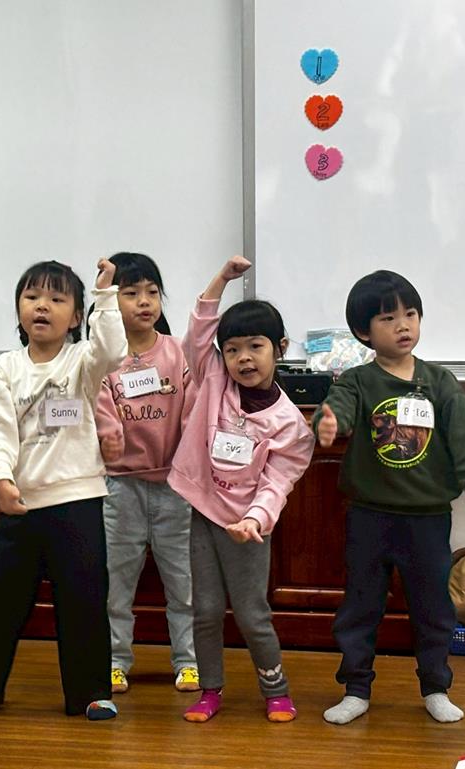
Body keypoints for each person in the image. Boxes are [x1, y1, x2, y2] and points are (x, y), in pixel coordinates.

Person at [0, 258, 127, 721]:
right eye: (32, 297)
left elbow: (112, 351)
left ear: (76, 316)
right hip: (22, 505)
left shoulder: (81, 361)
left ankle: (91, 694)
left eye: (57, 299)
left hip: (78, 502)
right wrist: (0, 479)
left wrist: (105, 294)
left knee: (82, 602)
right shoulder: (7, 367)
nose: (43, 306)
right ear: (19, 308)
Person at [314, 270, 465, 725]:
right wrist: (329, 422)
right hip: (369, 516)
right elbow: (337, 407)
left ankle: (436, 686)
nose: (403, 325)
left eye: (410, 314)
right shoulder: (358, 380)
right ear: (363, 332)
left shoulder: (439, 382)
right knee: (360, 607)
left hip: (427, 519)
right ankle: (356, 688)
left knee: (434, 608)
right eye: (388, 318)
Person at [169, 256, 314, 723]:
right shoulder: (213, 378)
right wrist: (222, 280)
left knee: (252, 613)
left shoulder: (290, 424)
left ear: (280, 348)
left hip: (248, 528)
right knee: (206, 610)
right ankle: (210, 690)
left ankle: (276, 691)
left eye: (255, 347)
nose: (243, 359)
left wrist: (254, 519)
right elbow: (197, 334)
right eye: (232, 350)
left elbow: (278, 482)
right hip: (204, 513)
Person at [94, 252, 199, 695]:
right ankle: (115, 660)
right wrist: (110, 435)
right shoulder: (103, 358)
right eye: (131, 292)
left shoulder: (177, 352)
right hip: (120, 487)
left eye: (152, 292)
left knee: (184, 584)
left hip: (174, 488)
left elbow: (194, 410)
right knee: (116, 584)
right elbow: (100, 408)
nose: (144, 301)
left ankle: (188, 661)